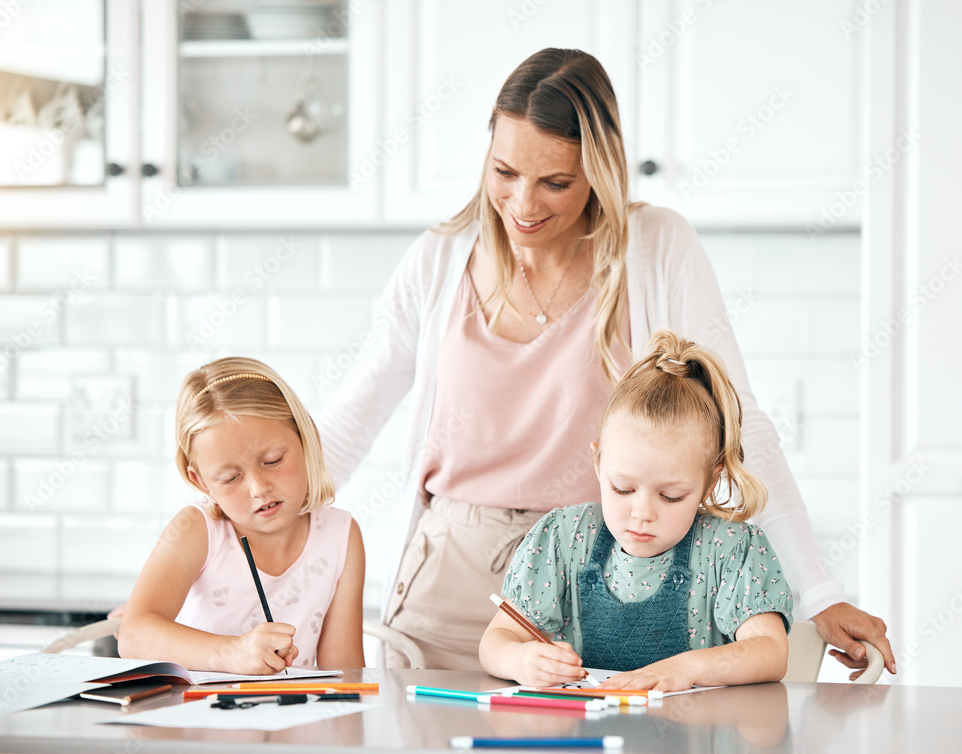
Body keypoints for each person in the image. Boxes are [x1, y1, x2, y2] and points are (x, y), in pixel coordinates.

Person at [317, 47, 893, 677]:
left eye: (556, 183)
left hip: (595, 570)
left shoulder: (656, 249)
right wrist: (249, 510)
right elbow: (351, 418)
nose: (523, 204)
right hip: (449, 578)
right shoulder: (440, 260)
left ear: (601, 171)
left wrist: (818, 591)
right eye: (505, 171)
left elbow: (740, 420)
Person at [479, 331, 792, 690]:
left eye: (671, 495)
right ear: (598, 463)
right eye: (623, 488)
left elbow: (770, 651)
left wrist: (685, 670)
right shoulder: (564, 538)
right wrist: (521, 660)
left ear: (709, 482)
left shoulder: (731, 549)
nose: (642, 513)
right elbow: (497, 639)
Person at [118, 357, 365, 674]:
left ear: (306, 438)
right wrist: (231, 653)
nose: (259, 488)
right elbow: (134, 635)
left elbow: (345, 675)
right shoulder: (196, 529)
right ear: (201, 481)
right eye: (230, 478)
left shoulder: (341, 535)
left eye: (273, 460)